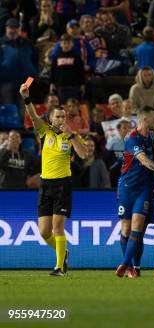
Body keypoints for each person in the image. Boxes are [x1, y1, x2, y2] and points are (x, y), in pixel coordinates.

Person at [20, 82, 88, 276]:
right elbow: (32, 116)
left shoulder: (71, 136)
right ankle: (63, 252)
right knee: (43, 232)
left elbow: (83, 155)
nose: (61, 119)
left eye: (63, 116)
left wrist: (73, 136)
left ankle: (59, 267)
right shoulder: (45, 132)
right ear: (50, 119)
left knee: (58, 225)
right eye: (57, 116)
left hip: (62, 184)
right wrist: (26, 97)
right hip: (45, 184)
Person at [114, 106, 154, 278]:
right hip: (126, 189)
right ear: (144, 120)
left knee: (137, 227)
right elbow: (144, 161)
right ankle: (129, 268)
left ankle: (127, 266)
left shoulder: (152, 138)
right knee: (126, 229)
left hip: (144, 190)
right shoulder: (131, 138)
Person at [0, 18, 39, 106]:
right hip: (6, 82)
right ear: (6, 28)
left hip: (26, 81)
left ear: (19, 29)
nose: (13, 30)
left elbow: (35, 59)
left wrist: (34, 75)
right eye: (11, 28)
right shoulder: (1, 42)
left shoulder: (28, 43)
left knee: (26, 109)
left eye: (16, 28)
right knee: (9, 108)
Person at [50, 34, 85, 103]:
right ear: (60, 44)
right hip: (60, 87)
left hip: (74, 87)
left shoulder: (76, 56)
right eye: (64, 43)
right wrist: (52, 83)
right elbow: (53, 71)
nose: (66, 45)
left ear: (72, 44)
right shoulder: (56, 57)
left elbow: (81, 71)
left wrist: (82, 84)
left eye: (68, 43)